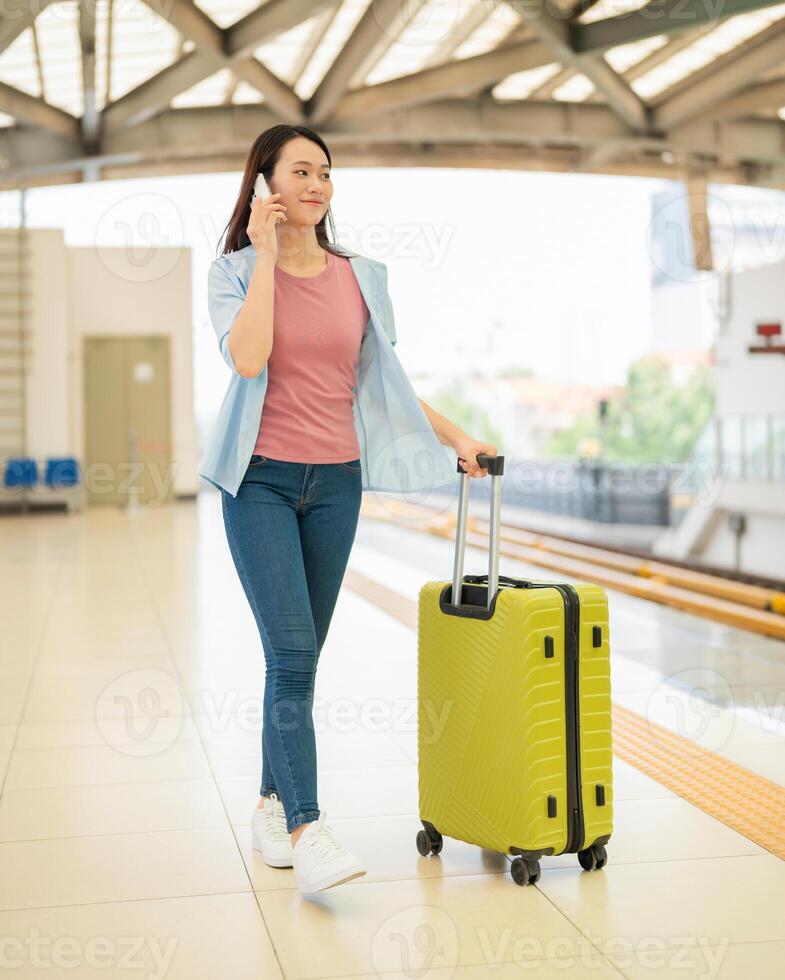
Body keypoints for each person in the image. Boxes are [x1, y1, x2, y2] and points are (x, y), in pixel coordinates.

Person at [208, 124, 496, 896]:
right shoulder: (233, 272)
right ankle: (308, 828)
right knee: (292, 655)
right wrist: (267, 259)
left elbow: (385, 381)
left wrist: (457, 436)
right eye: (300, 171)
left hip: (336, 484)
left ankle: (270, 802)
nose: (317, 185)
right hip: (259, 482)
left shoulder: (361, 275)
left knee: (295, 662)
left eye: (325, 174)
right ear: (265, 182)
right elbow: (247, 358)